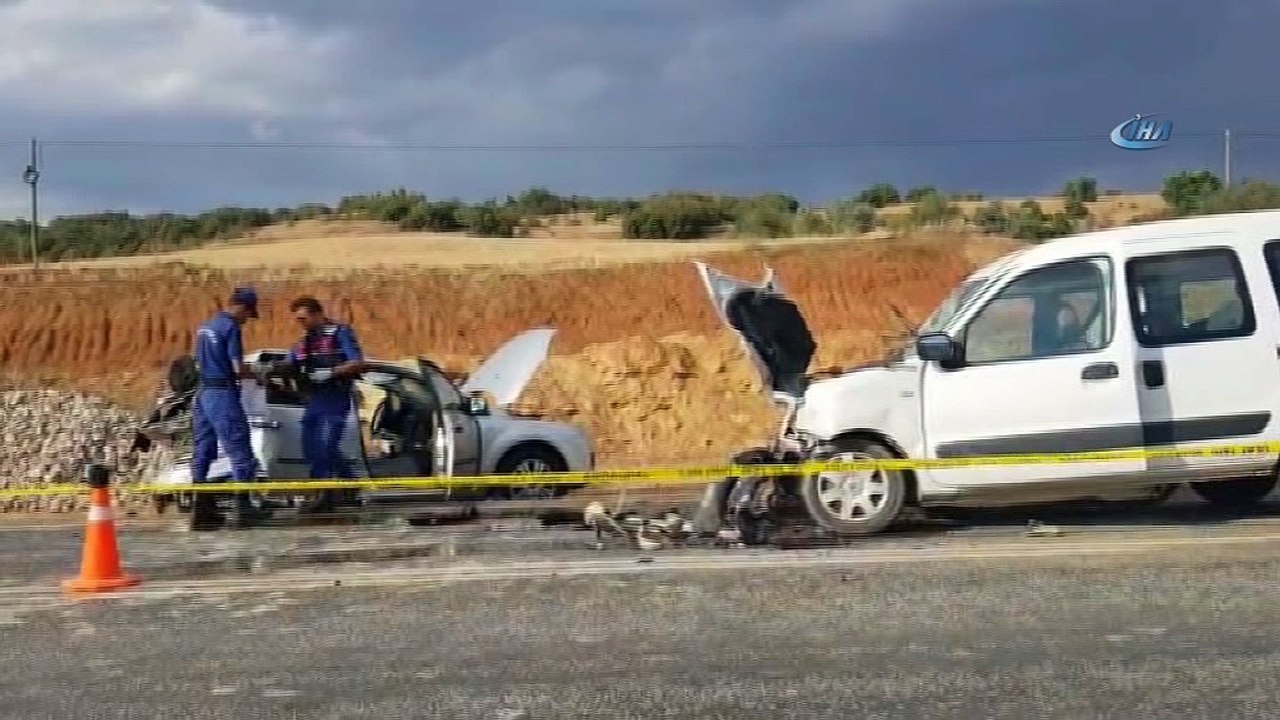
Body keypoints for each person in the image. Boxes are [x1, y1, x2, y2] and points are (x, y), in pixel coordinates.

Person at [190, 287, 271, 530]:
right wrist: (260, 373)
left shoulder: (205, 327)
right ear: (243, 308)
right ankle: (243, 507)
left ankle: (201, 507)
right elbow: (237, 367)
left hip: (203, 394)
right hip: (223, 394)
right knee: (239, 449)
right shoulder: (230, 327)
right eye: (248, 314)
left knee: (203, 449)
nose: (247, 320)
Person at [283, 296, 368, 511]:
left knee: (327, 446)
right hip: (314, 400)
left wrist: (331, 372)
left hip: (335, 398)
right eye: (297, 320)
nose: (300, 323)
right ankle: (350, 485)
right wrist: (271, 371)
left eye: (303, 318)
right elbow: (288, 363)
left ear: (318, 314)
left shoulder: (340, 333)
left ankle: (323, 494)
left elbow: (357, 362)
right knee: (312, 447)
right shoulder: (304, 341)